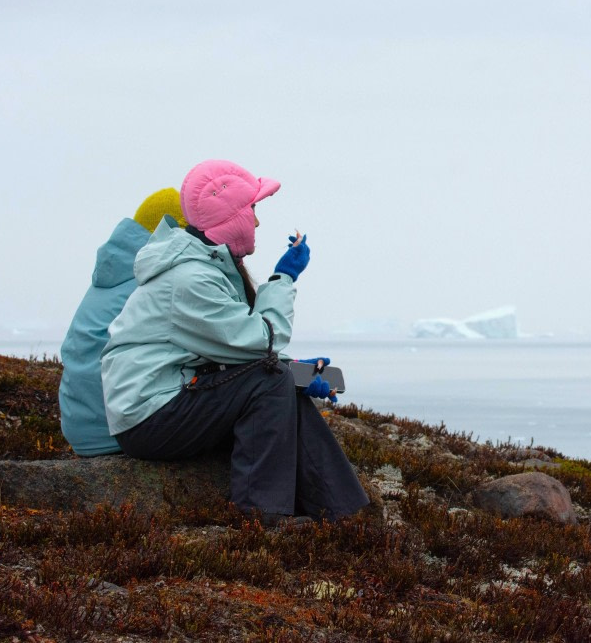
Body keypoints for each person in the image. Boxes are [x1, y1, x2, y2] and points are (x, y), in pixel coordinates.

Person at [100, 160, 369, 525]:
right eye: (253, 210)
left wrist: (298, 373)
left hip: (167, 399)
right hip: (149, 417)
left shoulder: (202, 267)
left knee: (282, 383)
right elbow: (263, 340)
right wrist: (284, 278)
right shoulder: (190, 279)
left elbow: (239, 351)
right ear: (233, 217)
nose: (257, 222)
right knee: (273, 381)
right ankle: (263, 518)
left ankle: (345, 513)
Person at [58, 188, 187, 457]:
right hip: (123, 432)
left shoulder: (113, 276)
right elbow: (235, 350)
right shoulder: (158, 283)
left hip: (83, 432)